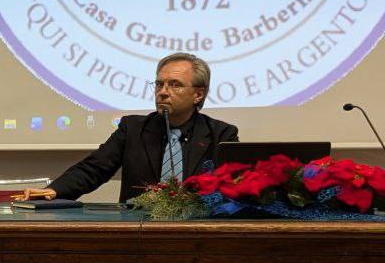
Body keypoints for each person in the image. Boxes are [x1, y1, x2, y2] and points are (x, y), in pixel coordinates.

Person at [19, 53, 239, 203]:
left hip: (196, 232)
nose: (163, 92)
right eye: (159, 84)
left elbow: (233, 187)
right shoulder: (132, 129)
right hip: (136, 229)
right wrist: (55, 190)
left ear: (198, 94)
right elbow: (93, 169)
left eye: (175, 85)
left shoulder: (221, 134)